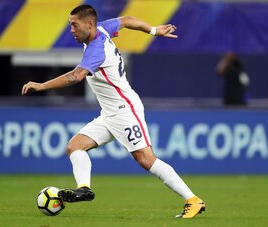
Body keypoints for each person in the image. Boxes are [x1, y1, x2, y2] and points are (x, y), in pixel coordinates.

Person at [22, 4, 205, 219]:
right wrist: (154, 30)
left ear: (88, 24)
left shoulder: (96, 49)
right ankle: (84, 188)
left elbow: (75, 76)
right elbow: (126, 20)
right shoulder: (102, 29)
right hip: (109, 113)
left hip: (125, 110)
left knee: (146, 159)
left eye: (74, 25)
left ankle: (193, 200)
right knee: (75, 146)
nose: (71, 30)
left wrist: (42, 86)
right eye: (70, 25)